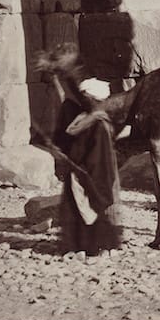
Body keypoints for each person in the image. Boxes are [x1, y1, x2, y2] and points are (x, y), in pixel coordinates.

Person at [51, 76, 125, 255]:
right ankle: (79, 246)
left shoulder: (99, 124)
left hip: (92, 173)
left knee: (92, 207)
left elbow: (98, 156)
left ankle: (95, 246)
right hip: (81, 170)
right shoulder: (86, 119)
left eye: (87, 97)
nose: (84, 100)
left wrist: (80, 165)